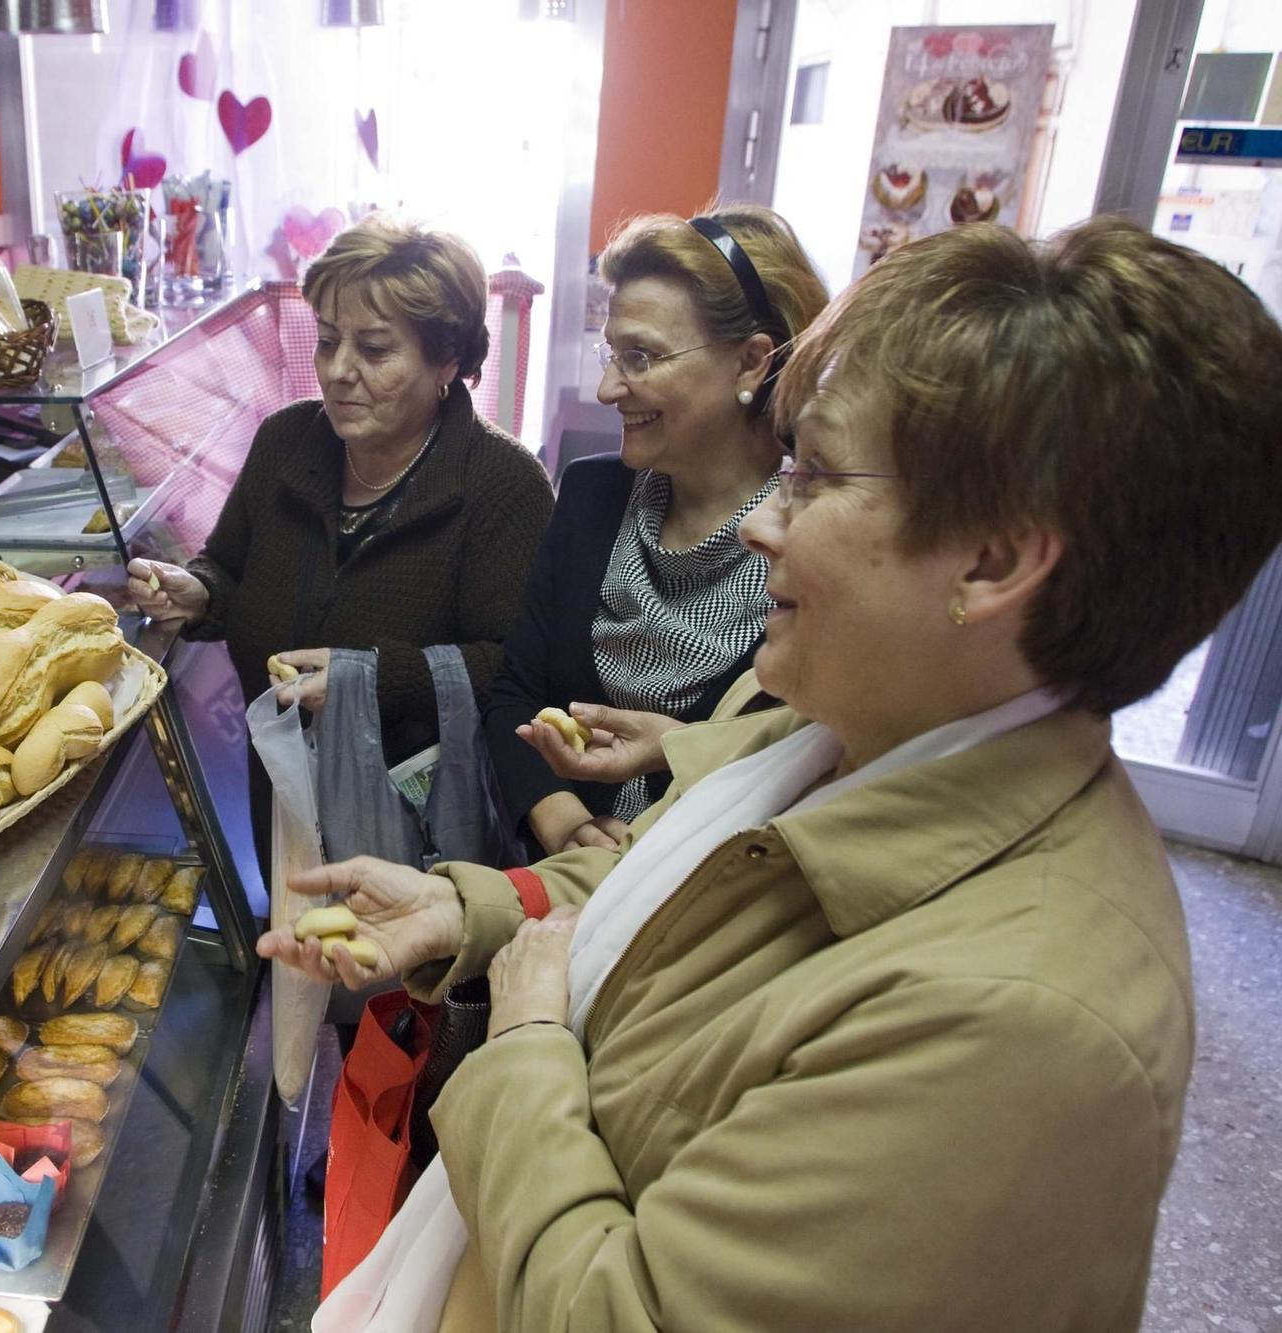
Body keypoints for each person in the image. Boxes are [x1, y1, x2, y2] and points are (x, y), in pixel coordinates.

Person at [266, 216, 1282, 1330]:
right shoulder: (841, 724)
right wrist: (473, 909)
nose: (765, 528)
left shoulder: (1009, 1028)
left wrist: (521, 1046)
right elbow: (681, 887)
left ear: (990, 561)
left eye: (813, 476)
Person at [127, 214, 554, 874]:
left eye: (376, 350)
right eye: (328, 342)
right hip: (286, 813)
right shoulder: (285, 444)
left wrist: (373, 679)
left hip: (425, 846)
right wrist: (201, 591)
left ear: (447, 360)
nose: (339, 371)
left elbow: (517, 672)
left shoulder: (503, 485)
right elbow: (231, 568)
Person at [487, 206, 827, 857]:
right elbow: (514, 695)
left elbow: (810, 771)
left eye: (640, 357)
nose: (610, 386)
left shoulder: (812, 547)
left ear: (753, 363)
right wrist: (563, 822)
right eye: (611, 353)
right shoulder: (592, 495)